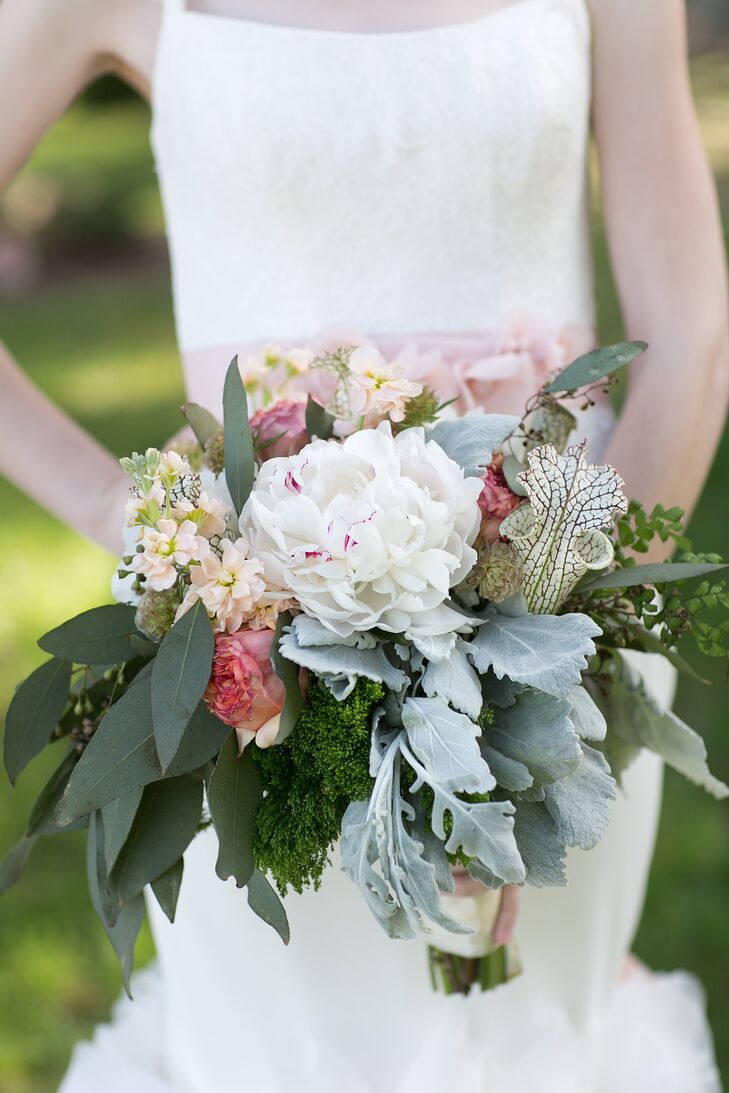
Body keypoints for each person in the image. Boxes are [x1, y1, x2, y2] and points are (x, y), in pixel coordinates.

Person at [1, 1, 727, 1089]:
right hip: (260, 690)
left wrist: (573, 647)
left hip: (552, 637)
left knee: (534, 1046)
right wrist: (123, 510)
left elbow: (691, 335)